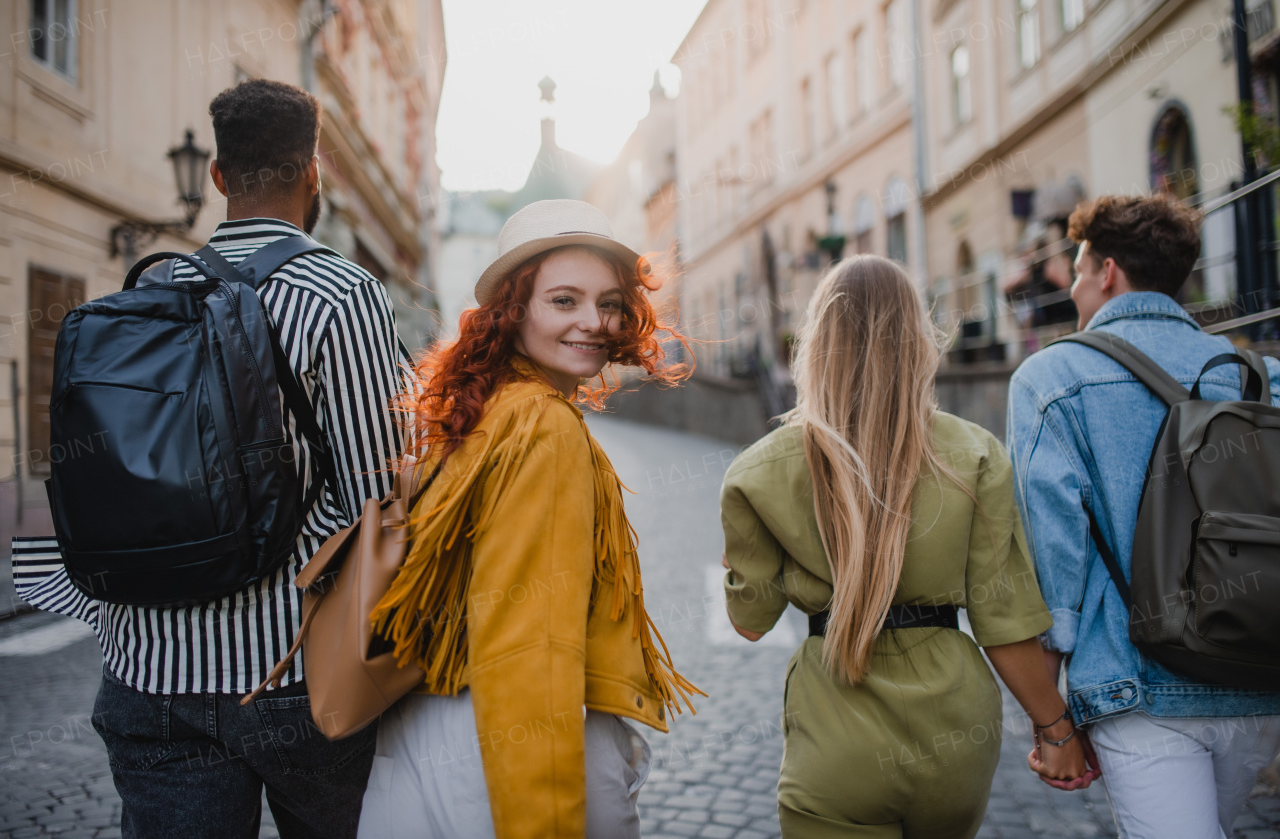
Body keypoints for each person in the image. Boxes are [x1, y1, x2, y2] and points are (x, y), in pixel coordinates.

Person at [13, 79, 405, 837]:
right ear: (312, 170)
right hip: (290, 671)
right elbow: (377, 489)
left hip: (147, 670)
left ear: (219, 177)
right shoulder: (342, 292)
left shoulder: (147, 291)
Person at [357, 199, 703, 839]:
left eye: (609, 303)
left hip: (424, 733)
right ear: (513, 313)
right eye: (564, 300)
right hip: (502, 752)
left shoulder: (488, 409)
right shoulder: (542, 427)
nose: (594, 323)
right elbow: (526, 645)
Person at [721, 255, 1093, 838]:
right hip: (953, 738)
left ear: (816, 343)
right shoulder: (975, 454)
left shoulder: (757, 471)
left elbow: (749, 620)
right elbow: (1004, 621)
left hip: (834, 739)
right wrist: (1057, 731)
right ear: (919, 339)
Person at [1006, 193, 1280, 838]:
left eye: (1076, 272)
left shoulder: (1052, 379)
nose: (1072, 289)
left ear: (1106, 272)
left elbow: (1055, 562)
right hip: (1264, 672)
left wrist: (1051, 723)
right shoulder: (1262, 377)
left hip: (1138, 686)